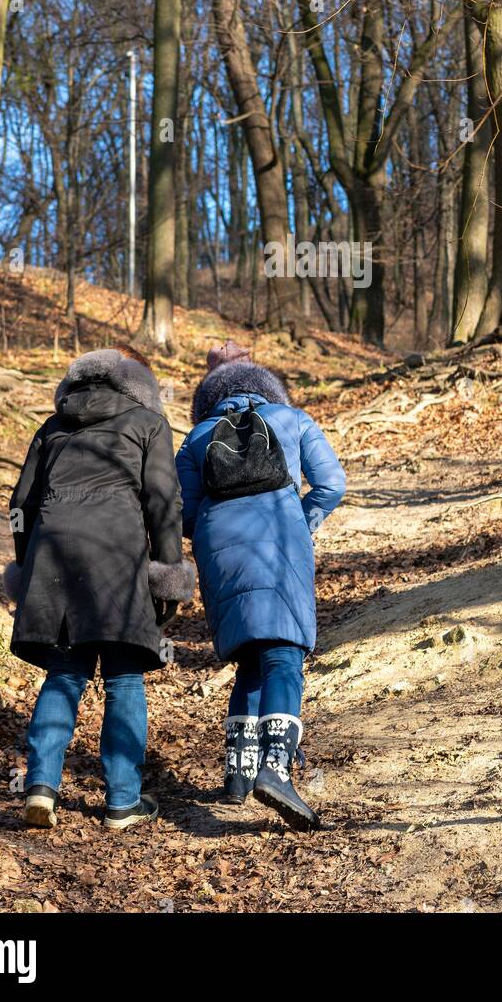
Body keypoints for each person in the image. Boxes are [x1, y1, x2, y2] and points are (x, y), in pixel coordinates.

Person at [4, 345, 194, 831]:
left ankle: (41, 788)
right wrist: (167, 572)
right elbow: (164, 503)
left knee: (65, 674)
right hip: (116, 560)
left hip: (53, 557)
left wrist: (28, 562)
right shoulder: (148, 424)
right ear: (137, 382)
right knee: (123, 678)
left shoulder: (53, 426)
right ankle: (122, 802)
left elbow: (19, 504)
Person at [176, 340, 345, 830]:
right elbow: (333, 483)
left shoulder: (196, 438)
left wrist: (213, 534)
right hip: (280, 542)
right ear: (271, 390)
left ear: (210, 399)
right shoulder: (293, 421)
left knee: (249, 656)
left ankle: (237, 773)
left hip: (221, 553)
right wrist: (304, 521)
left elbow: (182, 513)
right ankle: (276, 769)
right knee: (284, 657)